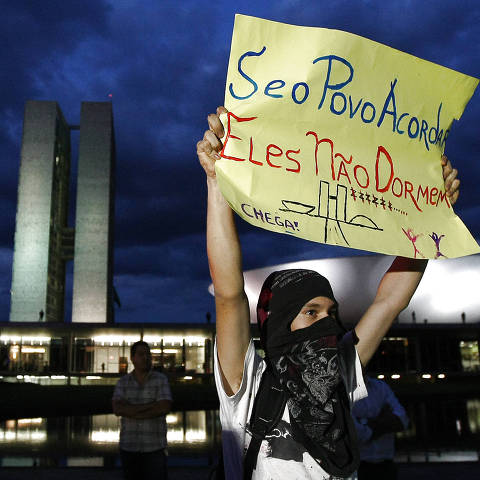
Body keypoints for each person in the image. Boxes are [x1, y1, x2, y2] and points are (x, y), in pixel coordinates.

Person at [196, 106, 460, 480]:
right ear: (281, 322)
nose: (327, 323)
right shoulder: (249, 384)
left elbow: (389, 303)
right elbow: (229, 293)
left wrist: (432, 214)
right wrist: (215, 181)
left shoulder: (339, 376)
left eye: (330, 313)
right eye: (311, 312)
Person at [112, 340, 172, 480]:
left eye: (148, 354)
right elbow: (117, 409)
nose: (146, 357)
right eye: (141, 354)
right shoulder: (123, 382)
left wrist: (131, 409)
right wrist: (152, 405)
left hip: (154, 448)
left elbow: (164, 407)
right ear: (132, 358)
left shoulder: (161, 380)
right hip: (129, 448)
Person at [352, 375, 409, 479]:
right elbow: (357, 434)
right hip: (357, 468)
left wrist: (365, 423)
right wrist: (385, 420)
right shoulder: (342, 391)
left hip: (386, 466)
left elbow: (402, 420)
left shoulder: (380, 387)